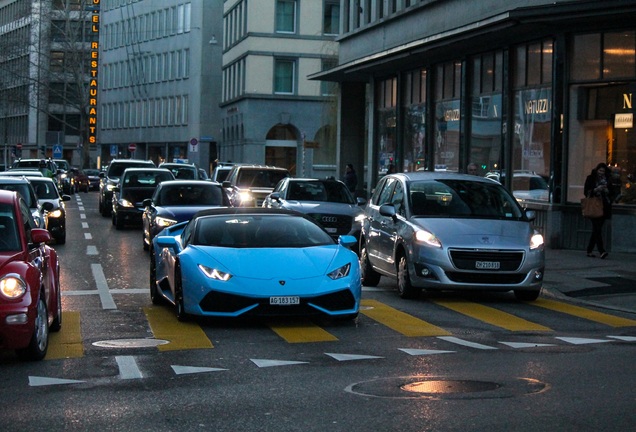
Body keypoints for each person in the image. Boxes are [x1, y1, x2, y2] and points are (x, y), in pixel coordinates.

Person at [584, 162, 614, 259]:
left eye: (603, 171)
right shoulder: (591, 178)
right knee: (597, 228)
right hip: (594, 206)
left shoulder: (608, 180)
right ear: (597, 170)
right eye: (600, 170)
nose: (601, 173)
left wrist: (607, 191)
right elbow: (586, 192)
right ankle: (602, 251)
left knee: (596, 230)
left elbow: (612, 192)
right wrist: (596, 189)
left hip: (604, 206)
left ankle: (589, 250)